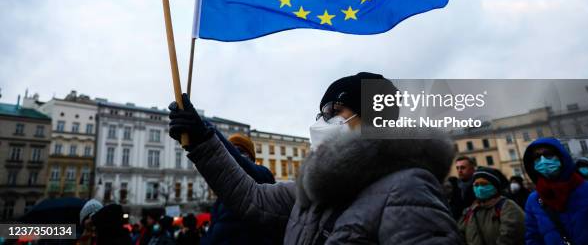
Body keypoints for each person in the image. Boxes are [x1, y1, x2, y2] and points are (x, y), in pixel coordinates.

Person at [168, 72, 461, 244]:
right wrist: (202, 140)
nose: (324, 121)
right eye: (322, 113)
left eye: (334, 110)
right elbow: (251, 198)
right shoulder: (314, 187)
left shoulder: (408, 187)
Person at [523, 137, 588, 245]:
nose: (543, 161)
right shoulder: (534, 200)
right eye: (536, 158)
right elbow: (533, 237)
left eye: (549, 155)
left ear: (562, 157)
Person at [201, 132, 278, 245]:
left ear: (251, 158)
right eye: (231, 151)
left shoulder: (263, 174)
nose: (234, 155)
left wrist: (211, 132)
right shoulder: (221, 198)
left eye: (240, 151)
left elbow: (241, 164)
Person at [458, 167, 524, 245]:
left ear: (495, 186)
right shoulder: (470, 211)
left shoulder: (508, 206)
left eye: (484, 184)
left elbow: (509, 236)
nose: (479, 188)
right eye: (476, 185)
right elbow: (460, 235)